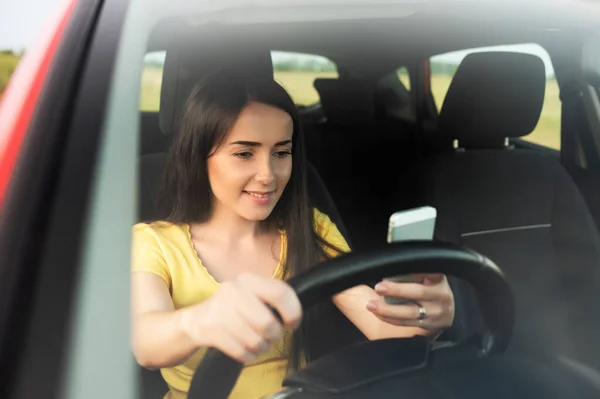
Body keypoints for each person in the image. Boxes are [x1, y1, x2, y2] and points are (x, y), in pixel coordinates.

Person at [130, 70, 455, 399]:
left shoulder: (308, 228)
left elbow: (379, 324)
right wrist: (204, 318)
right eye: (244, 153)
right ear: (199, 158)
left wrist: (429, 319)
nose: (268, 175)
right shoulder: (154, 242)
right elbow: (147, 342)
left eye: (281, 153)